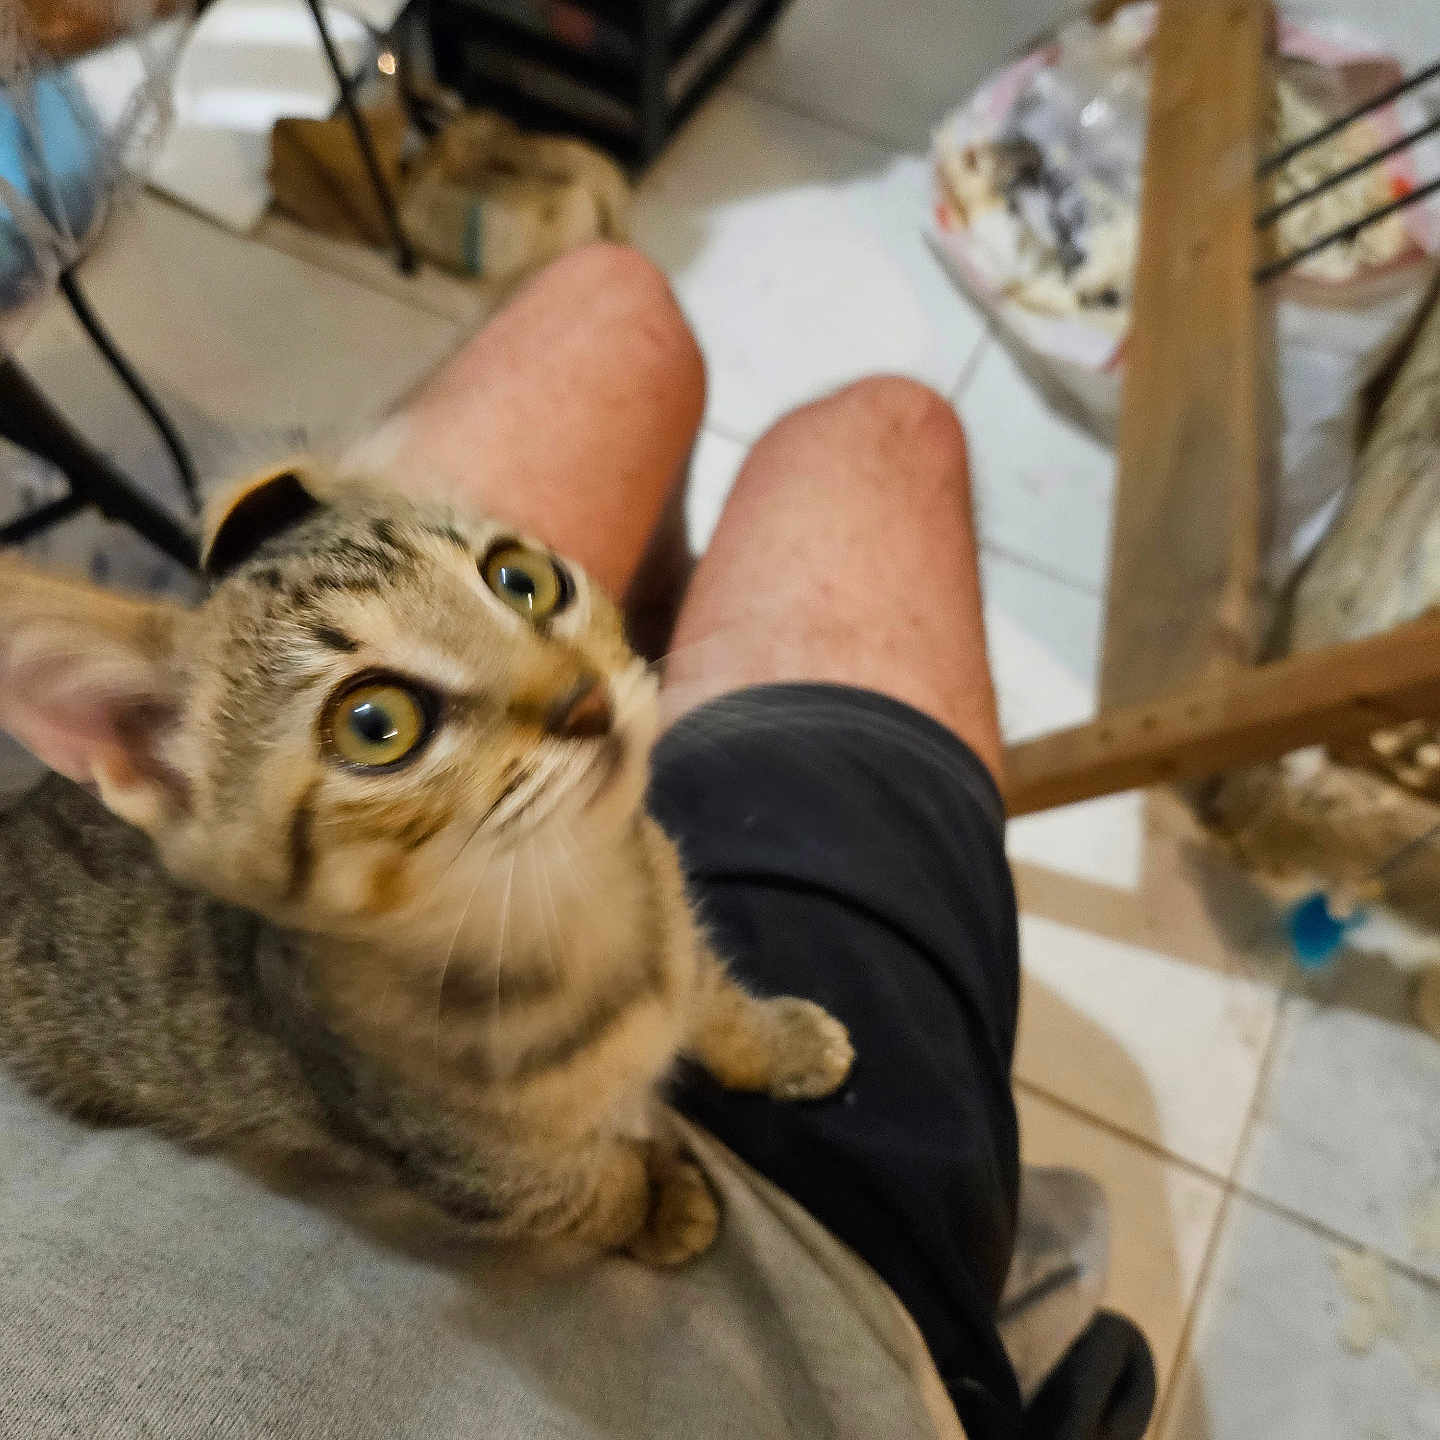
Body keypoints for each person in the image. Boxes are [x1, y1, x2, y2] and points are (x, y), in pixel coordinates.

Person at [0, 244, 1153, 1440]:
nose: (574, 694)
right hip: (809, 1317)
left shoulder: (549, 793)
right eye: (380, 722)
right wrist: (625, 1201)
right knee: (887, 436)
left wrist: (738, 1032)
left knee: (614, 296)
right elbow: (492, 1179)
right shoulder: (423, 1074)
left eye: (519, 583)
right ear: (162, 769)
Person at [373, 244, 1155, 1440]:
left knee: (610, 308)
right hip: (801, 1290)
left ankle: (662, 641)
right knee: (882, 440)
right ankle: (675, 651)